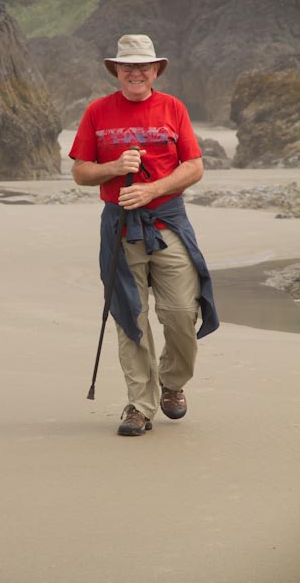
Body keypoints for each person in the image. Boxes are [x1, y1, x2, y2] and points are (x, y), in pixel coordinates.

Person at [69, 34, 219, 436]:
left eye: (143, 66)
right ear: (117, 70)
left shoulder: (173, 108)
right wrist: (115, 167)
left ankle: (172, 382)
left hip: (168, 223)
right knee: (129, 316)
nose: (135, 72)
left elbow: (194, 166)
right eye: (128, 66)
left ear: (155, 70)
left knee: (181, 314)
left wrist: (152, 190)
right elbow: (80, 171)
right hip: (120, 227)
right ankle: (140, 405)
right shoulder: (98, 111)